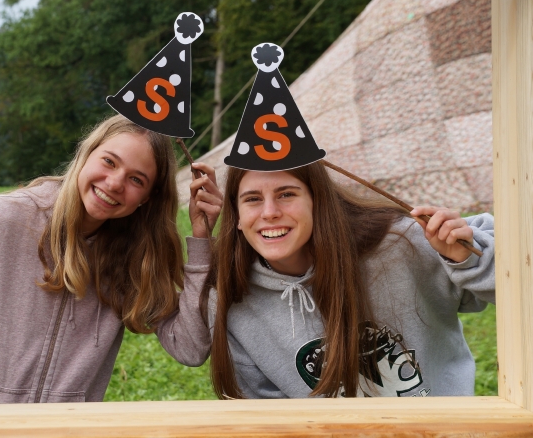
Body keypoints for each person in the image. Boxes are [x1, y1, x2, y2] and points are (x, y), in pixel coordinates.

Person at [0, 114, 213, 404]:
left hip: (69, 427)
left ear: (147, 197)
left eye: (136, 179)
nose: (114, 183)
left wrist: (201, 238)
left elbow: (189, 347)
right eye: (109, 161)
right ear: (86, 153)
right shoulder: (4, 218)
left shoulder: (133, 256)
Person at [189, 162, 495, 399]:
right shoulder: (233, 298)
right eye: (253, 199)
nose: (269, 212)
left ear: (318, 200)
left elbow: (506, 283)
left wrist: (465, 259)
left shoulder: (402, 243)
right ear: (237, 217)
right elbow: (267, 413)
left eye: (286, 194)